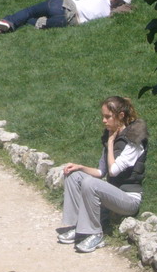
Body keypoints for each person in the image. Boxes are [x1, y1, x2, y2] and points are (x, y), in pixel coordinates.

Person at [57, 96, 148, 253]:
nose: (104, 121)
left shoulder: (135, 140)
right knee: (73, 174)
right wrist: (79, 167)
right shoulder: (110, 135)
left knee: (89, 183)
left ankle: (95, 234)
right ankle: (76, 226)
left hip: (128, 200)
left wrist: (111, 144)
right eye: (103, 116)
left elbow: (113, 170)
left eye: (107, 117)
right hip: (111, 194)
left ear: (120, 116)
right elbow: (100, 172)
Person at [0, 0, 131, 34]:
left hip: (62, 4)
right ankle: (1, 30)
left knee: (30, 11)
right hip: (66, 21)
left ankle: (6, 22)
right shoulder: (105, 14)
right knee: (33, 21)